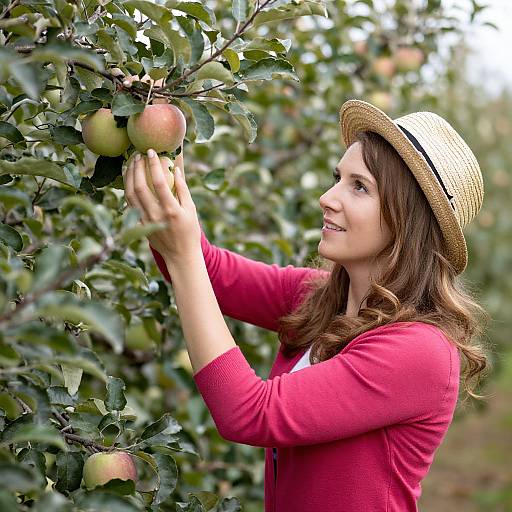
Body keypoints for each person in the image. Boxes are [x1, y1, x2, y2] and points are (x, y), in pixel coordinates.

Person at [122, 99, 490, 512]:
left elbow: (250, 412)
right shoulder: (319, 298)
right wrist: (153, 141)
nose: (326, 197)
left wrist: (183, 252)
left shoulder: (420, 351)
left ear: (407, 220)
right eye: (338, 177)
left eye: (359, 186)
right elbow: (210, 272)